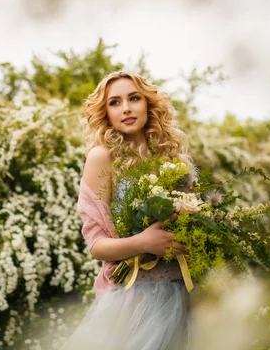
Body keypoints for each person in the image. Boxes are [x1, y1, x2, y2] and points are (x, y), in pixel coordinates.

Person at [62, 71, 194, 350]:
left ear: (148, 104)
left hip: (185, 295)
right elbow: (97, 245)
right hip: (133, 298)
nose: (126, 108)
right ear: (105, 112)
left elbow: (193, 225)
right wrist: (144, 243)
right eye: (115, 102)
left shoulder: (174, 159)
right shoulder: (102, 158)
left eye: (134, 98)